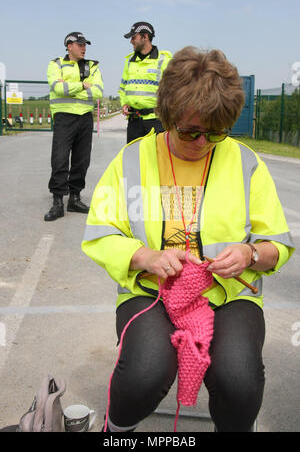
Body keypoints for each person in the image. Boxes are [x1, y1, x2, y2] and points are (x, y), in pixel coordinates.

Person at [82, 47, 295, 432]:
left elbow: (277, 244)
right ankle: (116, 431)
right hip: (152, 293)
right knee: (144, 372)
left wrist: (249, 253)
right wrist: (144, 256)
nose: (202, 143)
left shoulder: (246, 162)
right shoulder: (132, 160)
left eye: (216, 132)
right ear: (166, 115)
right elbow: (100, 233)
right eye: (190, 131)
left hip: (230, 295)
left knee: (240, 381)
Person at [44, 31, 104, 221]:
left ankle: (75, 199)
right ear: (69, 46)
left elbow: (98, 91)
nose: (84, 48)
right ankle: (58, 202)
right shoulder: (56, 64)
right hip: (64, 117)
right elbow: (58, 88)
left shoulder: (92, 66)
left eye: (85, 44)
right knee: (60, 159)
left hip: (85, 118)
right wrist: (83, 86)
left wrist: (72, 87)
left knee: (81, 160)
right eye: (80, 44)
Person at [118, 21, 172, 143]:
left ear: (145, 37)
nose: (131, 41)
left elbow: (174, 91)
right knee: (133, 159)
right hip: (134, 121)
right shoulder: (129, 61)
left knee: (156, 160)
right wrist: (124, 103)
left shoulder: (164, 60)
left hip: (156, 122)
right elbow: (123, 87)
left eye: (133, 37)